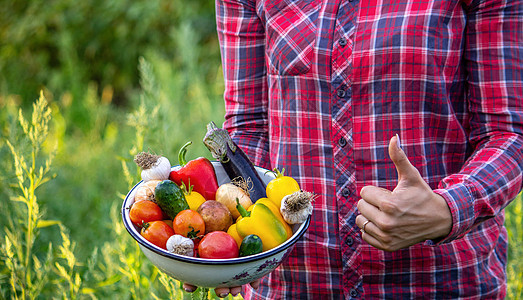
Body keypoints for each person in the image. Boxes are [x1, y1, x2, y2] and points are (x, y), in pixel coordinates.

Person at [186, 0, 523, 298]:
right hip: (297, 284)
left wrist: (448, 209)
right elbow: (250, 125)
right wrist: (235, 251)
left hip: (439, 280)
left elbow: (509, 133)